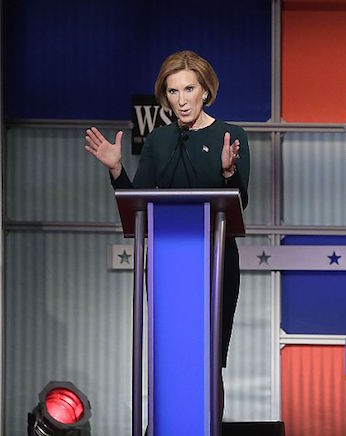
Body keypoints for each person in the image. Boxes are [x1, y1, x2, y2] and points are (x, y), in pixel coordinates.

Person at [84, 49, 249, 412]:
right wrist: (116, 170)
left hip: (216, 260)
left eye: (189, 89)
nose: (181, 100)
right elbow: (135, 203)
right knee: (170, 356)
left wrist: (227, 173)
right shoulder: (159, 141)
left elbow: (242, 202)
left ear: (205, 90)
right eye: (173, 92)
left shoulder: (231, 136)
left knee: (208, 358)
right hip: (167, 260)